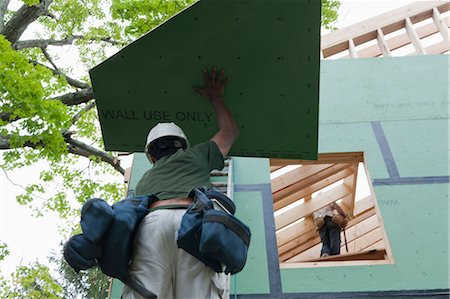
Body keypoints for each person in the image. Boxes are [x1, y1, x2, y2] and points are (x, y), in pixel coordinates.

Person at [122, 67, 238, 299]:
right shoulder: (195, 155)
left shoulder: (145, 180)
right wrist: (215, 98)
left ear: (152, 156)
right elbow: (230, 132)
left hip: (150, 226)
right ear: (181, 144)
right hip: (192, 222)